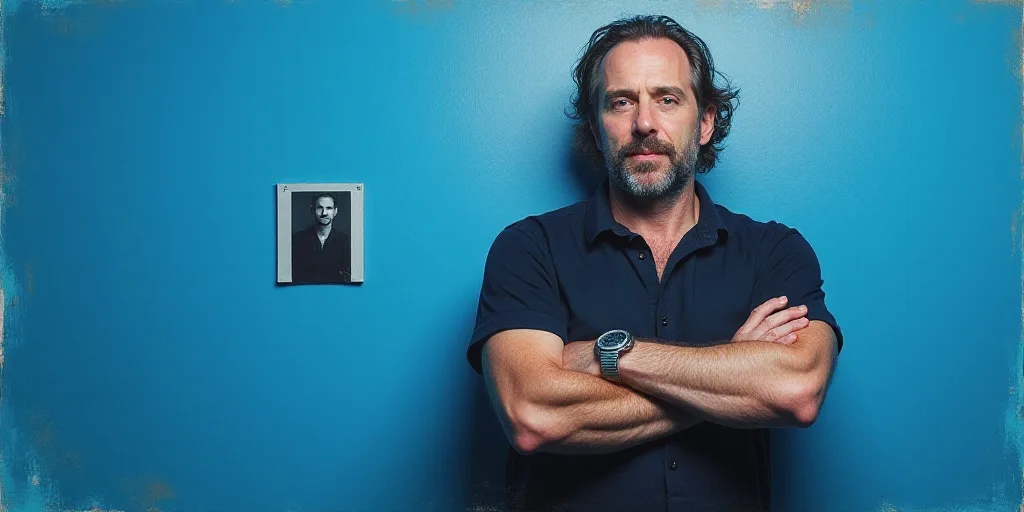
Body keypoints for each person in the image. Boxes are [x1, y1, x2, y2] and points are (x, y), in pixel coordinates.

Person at [466, 15, 843, 512]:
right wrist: (729, 376)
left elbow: (796, 391)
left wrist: (608, 354)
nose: (644, 123)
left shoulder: (774, 251)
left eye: (667, 98)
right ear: (596, 127)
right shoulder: (529, 248)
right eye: (621, 102)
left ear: (705, 121)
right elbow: (532, 415)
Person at [291, 193, 351, 284]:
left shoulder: (346, 242)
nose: (324, 213)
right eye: (320, 208)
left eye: (329, 208)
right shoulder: (297, 240)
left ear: (335, 212)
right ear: (312, 210)